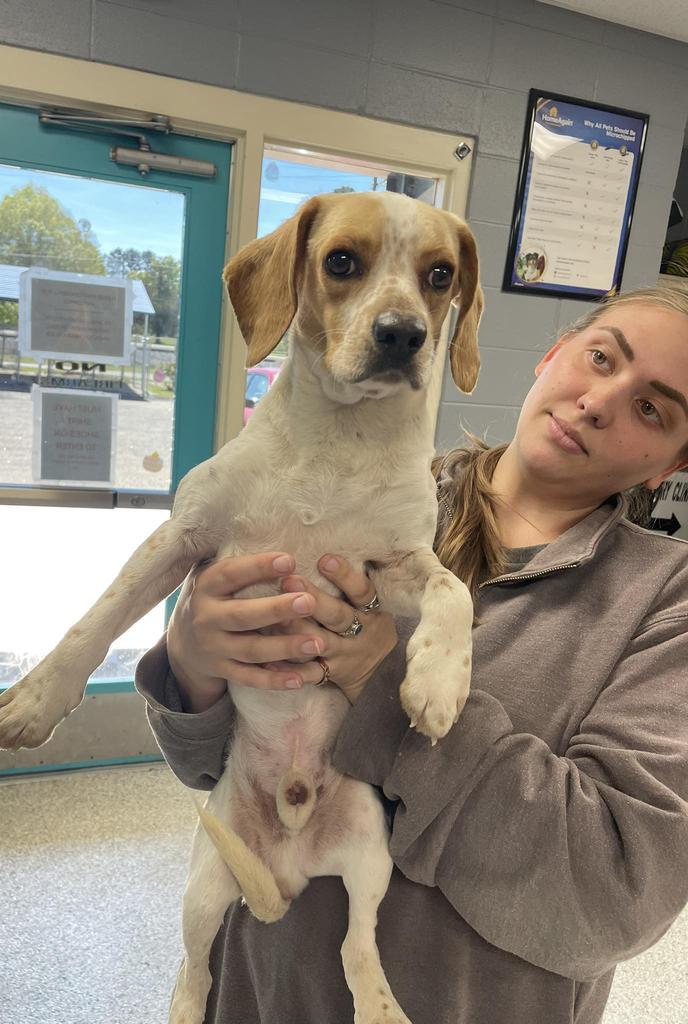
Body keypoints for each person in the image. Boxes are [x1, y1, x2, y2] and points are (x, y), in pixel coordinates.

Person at [135, 285, 688, 1024]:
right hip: (257, 994)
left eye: (652, 409)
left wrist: (378, 676)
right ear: (550, 356)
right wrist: (194, 662)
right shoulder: (373, 497)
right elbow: (209, 766)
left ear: (667, 468)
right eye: (598, 358)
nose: (598, 401)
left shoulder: (663, 604)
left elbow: (609, 896)